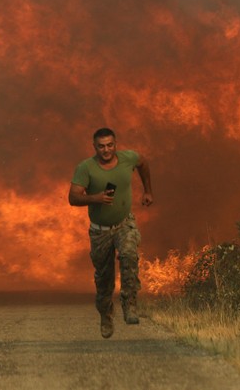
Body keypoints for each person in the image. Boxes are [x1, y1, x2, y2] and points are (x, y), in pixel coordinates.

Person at [68, 127, 154, 338]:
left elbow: (143, 163)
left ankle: (130, 304)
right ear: (94, 147)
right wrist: (95, 198)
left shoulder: (128, 158)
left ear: (115, 144)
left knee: (129, 255)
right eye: (101, 146)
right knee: (104, 280)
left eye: (110, 145)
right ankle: (106, 315)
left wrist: (148, 191)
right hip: (100, 232)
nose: (106, 150)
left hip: (124, 223)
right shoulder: (86, 168)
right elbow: (73, 197)